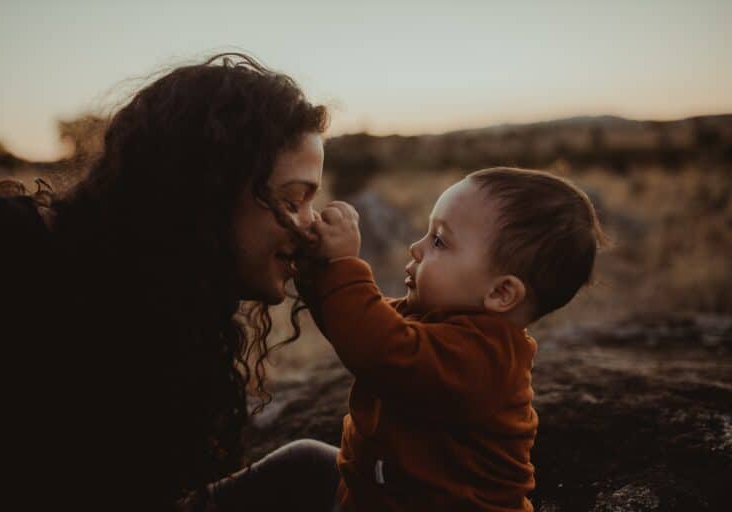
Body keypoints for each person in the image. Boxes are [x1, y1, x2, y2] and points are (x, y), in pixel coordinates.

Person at [0, 52, 328, 511]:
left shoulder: (174, 313)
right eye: (294, 200)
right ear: (211, 187)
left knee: (314, 470)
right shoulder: (0, 248)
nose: (310, 227)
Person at [204, 167, 605, 511]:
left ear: (501, 293)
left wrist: (346, 265)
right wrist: (317, 273)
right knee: (306, 460)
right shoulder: (434, 324)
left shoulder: (484, 360)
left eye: (439, 241)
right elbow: (359, 326)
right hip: (372, 496)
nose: (416, 247)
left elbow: (376, 346)